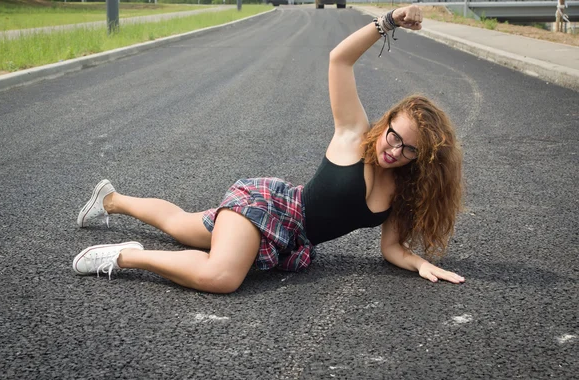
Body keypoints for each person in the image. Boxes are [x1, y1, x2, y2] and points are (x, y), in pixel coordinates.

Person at [73, 5, 465, 293]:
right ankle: (122, 256)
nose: (394, 150)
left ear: (422, 160)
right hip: (270, 206)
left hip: (292, 237)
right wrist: (390, 20)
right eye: (394, 135)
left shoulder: (402, 194)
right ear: (387, 123)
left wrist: (418, 263)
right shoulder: (354, 135)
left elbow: (391, 248)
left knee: (181, 226)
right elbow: (339, 60)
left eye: (409, 150)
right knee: (221, 276)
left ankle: (111, 200)